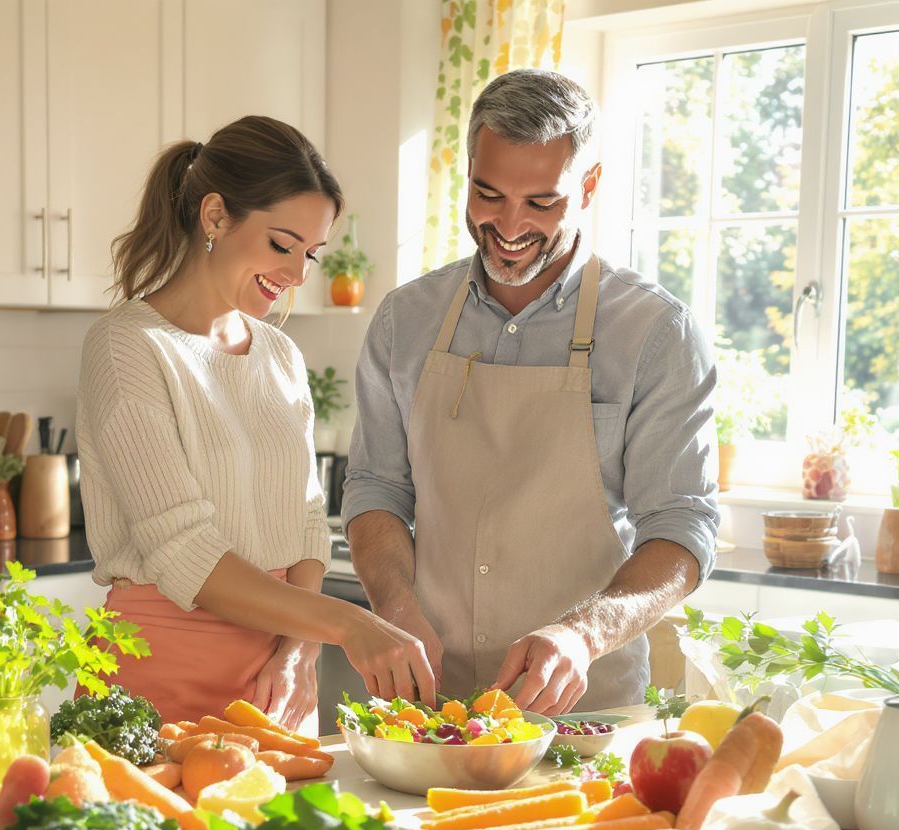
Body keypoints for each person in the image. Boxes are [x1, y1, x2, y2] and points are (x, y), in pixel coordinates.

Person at [342, 70, 720, 716]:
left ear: (589, 186)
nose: (509, 225)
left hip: (585, 717)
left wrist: (583, 632)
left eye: (541, 202)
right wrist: (395, 607)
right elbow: (377, 490)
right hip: (432, 710)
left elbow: (683, 530)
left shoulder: (655, 333)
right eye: (488, 194)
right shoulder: (405, 322)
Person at [77, 116, 434, 733]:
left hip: (281, 677)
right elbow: (183, 550)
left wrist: (301, 649)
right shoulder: (127, 348)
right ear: (215, 216)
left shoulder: (280, 356)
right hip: (163, 668)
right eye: (282, 244)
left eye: (310, 253)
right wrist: (348, 624)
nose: (297, 274)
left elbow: (304, 525)